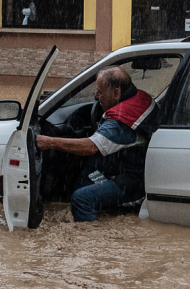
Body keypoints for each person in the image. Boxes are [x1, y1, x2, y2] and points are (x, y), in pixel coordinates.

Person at [35, 65, 155, 222]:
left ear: (116, 93)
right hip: (134, 169)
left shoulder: (120, 121)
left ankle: (87, 241)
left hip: (132, 183)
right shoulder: (140, 98)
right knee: (85, 172)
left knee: (81, 198)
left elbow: (90, 147)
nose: (96, 97)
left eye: (100, 92)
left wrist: (48, 141)